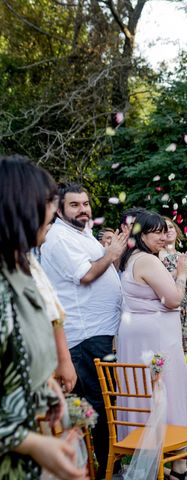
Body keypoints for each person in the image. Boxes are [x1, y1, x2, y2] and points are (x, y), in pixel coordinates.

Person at [0, 154, 84, 479]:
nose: (53, 209)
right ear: (18, 205)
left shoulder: (22, 270)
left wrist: (47, 389)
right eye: (46, 201)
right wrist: (30, 443)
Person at [40, 182, 129, 478]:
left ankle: (109, 466)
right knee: (100, 410)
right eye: (75, 205)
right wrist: (112, 253)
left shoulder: (82, 232)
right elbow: (87, 274)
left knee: (108, 406)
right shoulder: (58, 238)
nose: (83, 209)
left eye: (86, 203)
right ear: (61, 209)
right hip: (83, 338)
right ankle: (108, 471)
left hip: (100, 334)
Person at [116, 209, 187, 480]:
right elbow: (174, 299)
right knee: (168, 391)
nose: (164, 237)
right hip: (157, 337)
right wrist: (183, 272)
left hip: (137, 336)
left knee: (144, 394)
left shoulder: (129, 259)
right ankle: (179, 469)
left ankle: (153, 461)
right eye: (157, 232)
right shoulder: (148, 261)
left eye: (165, 231)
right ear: (141, 234)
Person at [159, 216, 187, 324]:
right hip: (166, 306)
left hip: (183, 306)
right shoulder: (157, 256)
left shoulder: (182, 256)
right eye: (164, 228)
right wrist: (181, 270)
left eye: (171, 227)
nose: (168, 230)